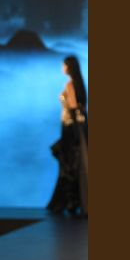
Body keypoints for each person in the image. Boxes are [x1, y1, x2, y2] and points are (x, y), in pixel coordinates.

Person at [47, 55, 88, 216]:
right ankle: (74, 200)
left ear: (69, 67)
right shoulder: (79, 83)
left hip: (70, 127)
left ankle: (71, 201)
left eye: (64, 65)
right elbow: (80, 107)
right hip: (77, 127)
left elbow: (73, 107)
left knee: (69, 162)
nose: (62, 68)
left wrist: (72, 119)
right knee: (75, 161)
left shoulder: (71, 85)